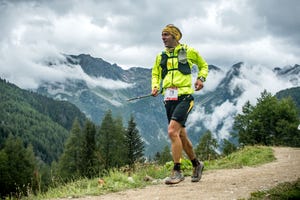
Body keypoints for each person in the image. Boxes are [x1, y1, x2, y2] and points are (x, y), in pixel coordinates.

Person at [151, 24, 208, 185]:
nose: (163, 38)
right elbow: (155, 73)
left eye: (166, 35)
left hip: (185, 97)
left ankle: (177, 171)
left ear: (175, 36)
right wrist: (155, 86)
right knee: (180, 135)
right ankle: (197, 164)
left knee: (171, 131)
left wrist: (201, 79)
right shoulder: (160, 56)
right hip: (168, 98)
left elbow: (203, 66)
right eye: (162, 35)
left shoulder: (189, 51)